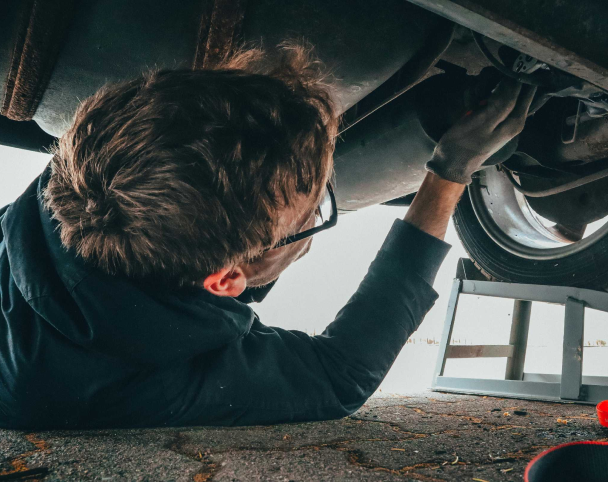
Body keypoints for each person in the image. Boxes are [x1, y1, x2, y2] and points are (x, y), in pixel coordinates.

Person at [0, 47, 535, 429]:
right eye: (316, 210)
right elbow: (340, 375)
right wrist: (448, 173)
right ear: (225, 279)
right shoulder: (134, 379)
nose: (318, 215)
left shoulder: (94, 173)